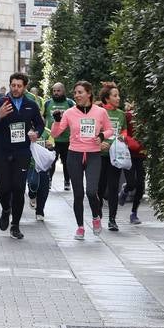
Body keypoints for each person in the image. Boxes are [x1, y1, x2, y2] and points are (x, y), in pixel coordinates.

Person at [0, 72, 44, 240]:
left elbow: (39, 124)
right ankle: (5, 209)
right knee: (4, 189)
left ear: (24, 87)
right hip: (1, 152)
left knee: (18, 188)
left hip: (22, 152)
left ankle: (15, 224)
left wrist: (36, 132)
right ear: (9, 85)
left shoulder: (31, 105)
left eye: (19, 86)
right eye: (13, 85)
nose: (15, 89)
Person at [50, 80, 116, 241]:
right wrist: (57, 120)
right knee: (78, 194)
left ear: (89, 93)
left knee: (91, 191)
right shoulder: (69, 113)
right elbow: (56, 134)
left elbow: (110, 130)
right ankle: (80, 227)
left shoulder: (100, 112)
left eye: (80, 92)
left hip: (93, 155)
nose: (77, 95)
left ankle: (95, 217)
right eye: (75, 93)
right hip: (75, 155)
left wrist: (101, 136)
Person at [98, 82, 128, 233]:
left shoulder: (121, 114)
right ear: (106, 98)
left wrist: (121, 139)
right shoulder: (99, 112)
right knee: (100, 187)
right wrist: (100, 143)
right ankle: (97, 213)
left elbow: (124, 132)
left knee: (113, 187)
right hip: (101, 155)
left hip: (115, 156)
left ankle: (112, 219)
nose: (118, 98)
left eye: (118, 95)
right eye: (115, 96)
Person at [43, 82, 76, 191]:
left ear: (63, 91)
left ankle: (67, 181)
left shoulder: (70, 103)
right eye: (54, 91)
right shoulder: (47, 103)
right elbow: (42, 119)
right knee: (51, 161)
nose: (56, 93)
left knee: (67, 162)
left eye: (58, 91)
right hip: (52, 139)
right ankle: (48, 181)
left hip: (67, 139)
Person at [123, 103, 147, 225]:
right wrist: (129, 141)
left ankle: (134, 213)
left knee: (141, 186)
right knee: (131, 183)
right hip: (129, 154)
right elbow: (122, 132)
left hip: (142, 155)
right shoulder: (128, 116)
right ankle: (126, 189)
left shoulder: (149, 117)